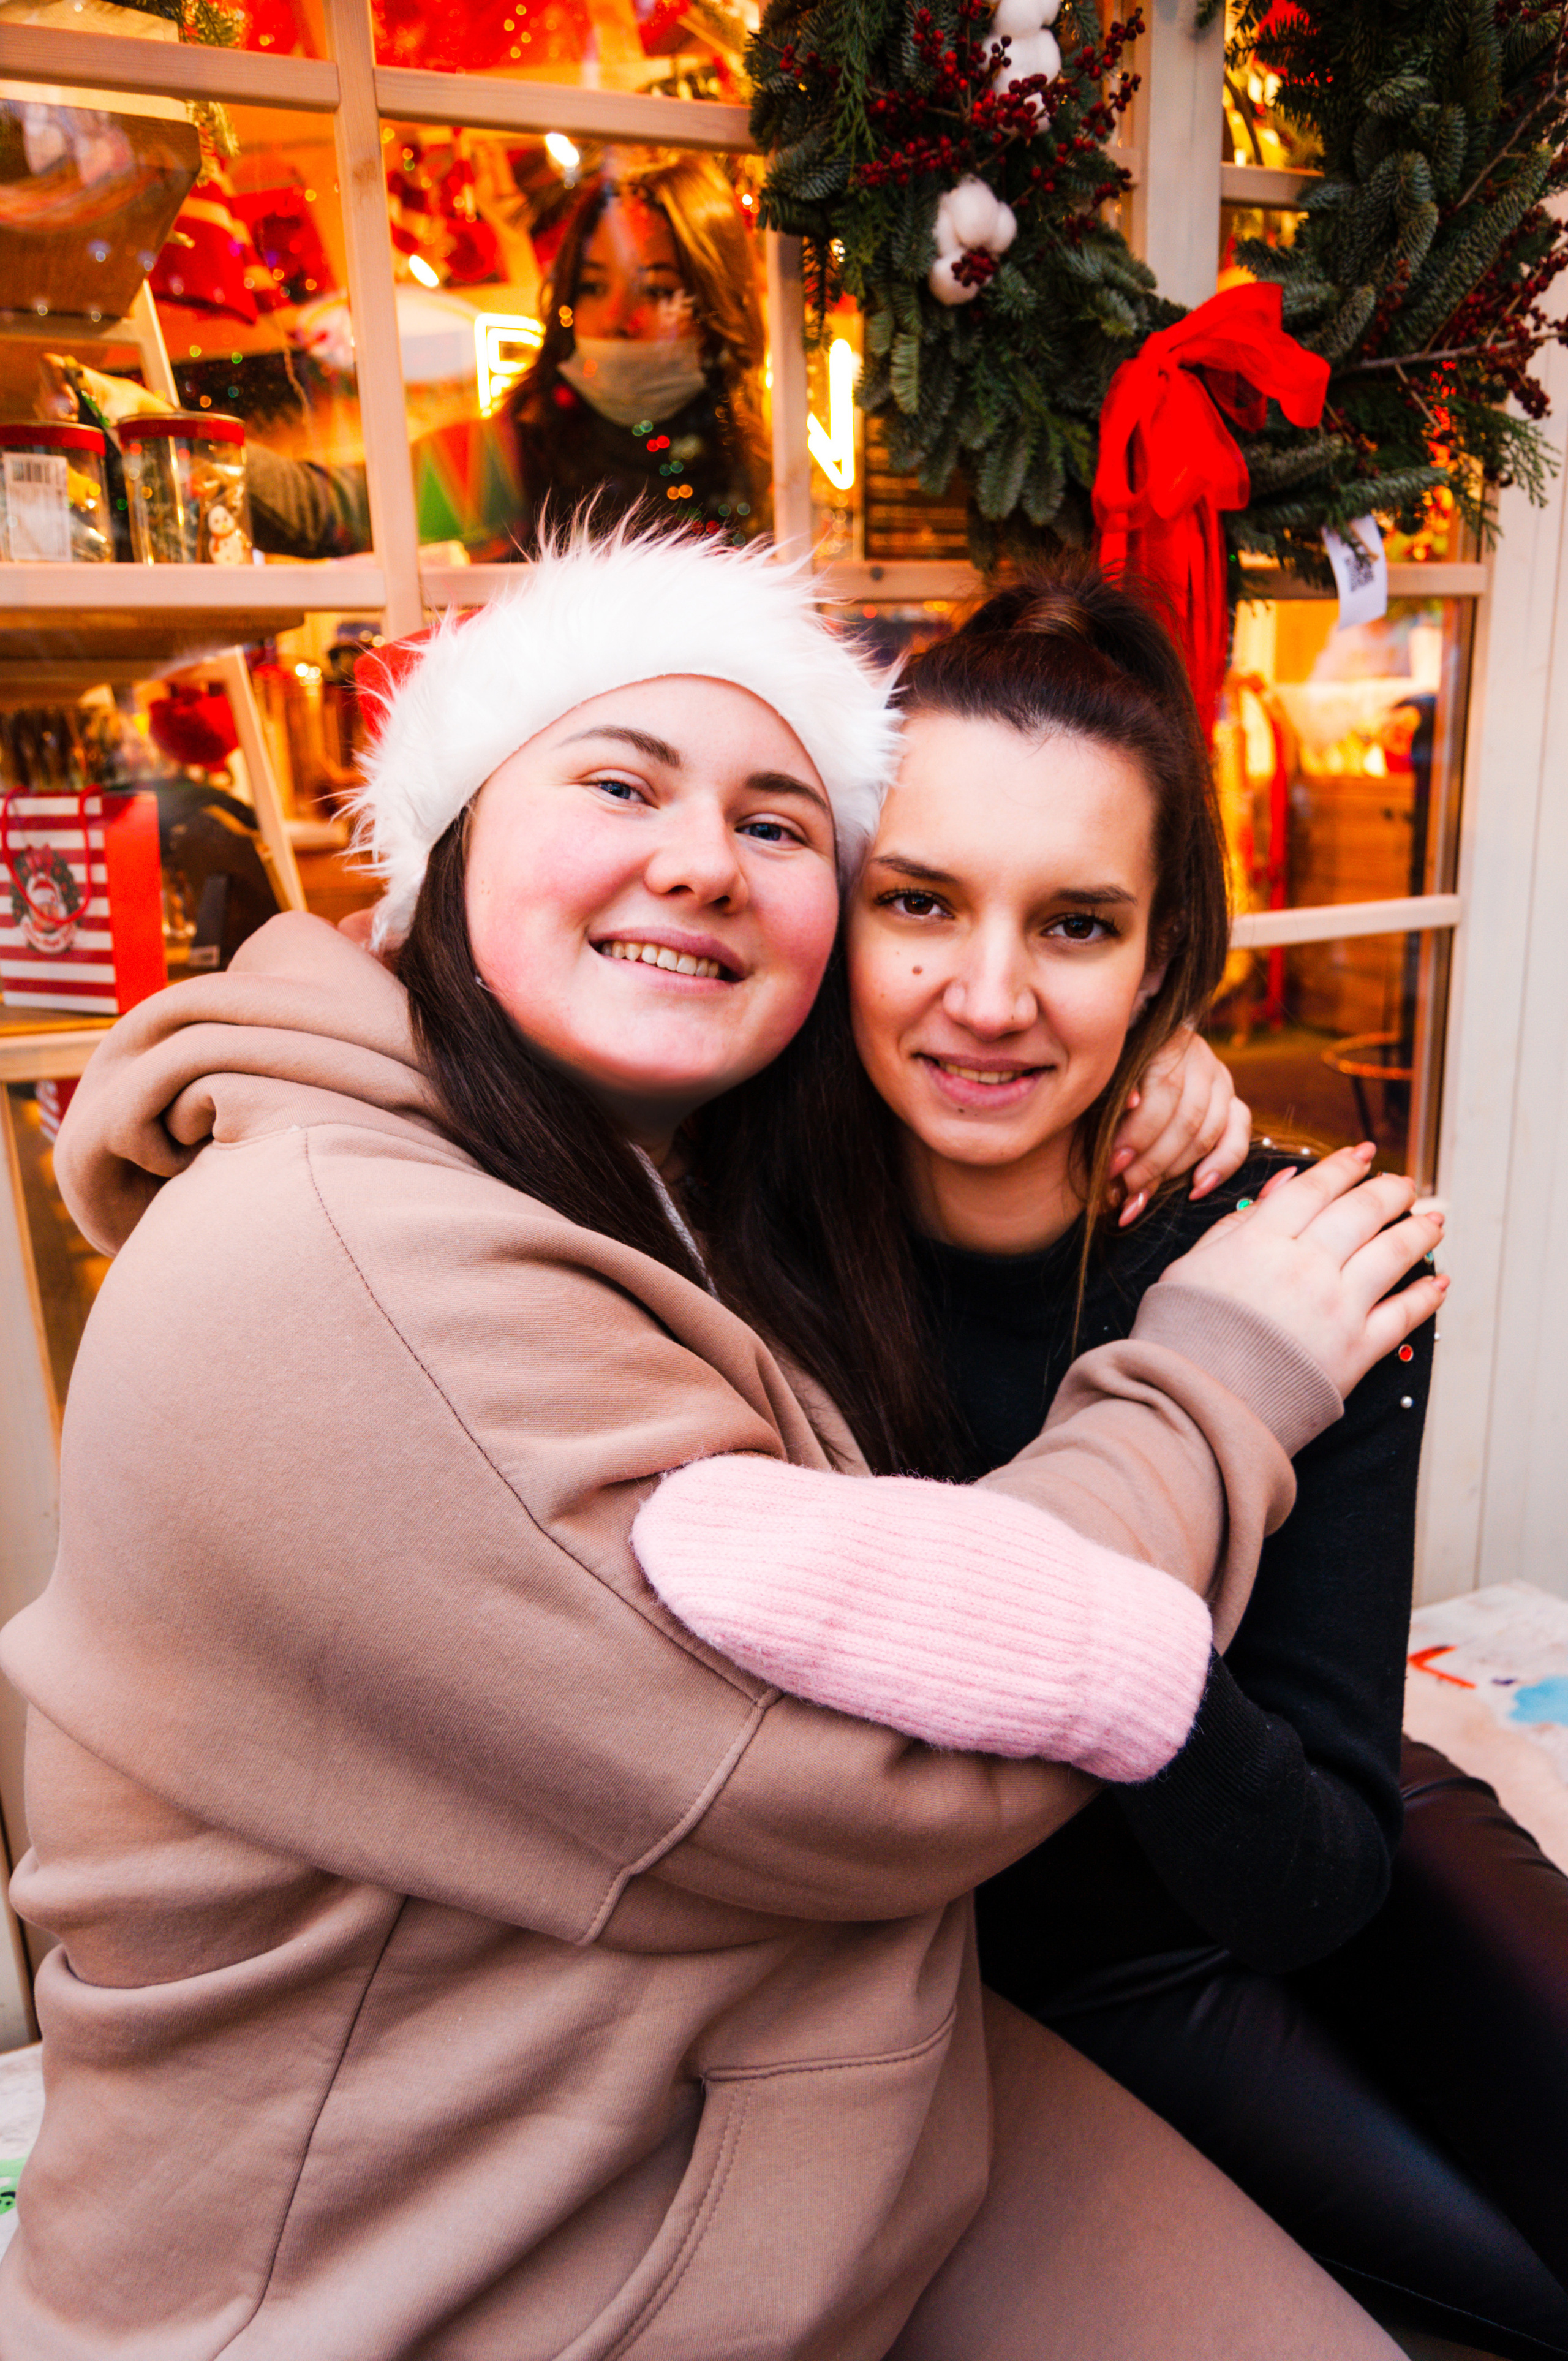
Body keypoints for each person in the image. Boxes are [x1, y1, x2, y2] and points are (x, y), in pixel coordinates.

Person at [0, 528, 1438, 2359]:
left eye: (775, 822)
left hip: (824, 2063)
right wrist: (1217, 1374)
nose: (699, 856)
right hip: (442, 2248)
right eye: (617, 780)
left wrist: (1148, 1083)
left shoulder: (665, 1163)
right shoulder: (369, 1258)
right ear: (446, 847)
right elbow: (870, 1766)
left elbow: (1320, 1859)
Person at [636, 560, 1568, 2358]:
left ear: (1167, 957)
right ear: (833, 908)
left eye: (1076, 925)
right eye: (921, 903)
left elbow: (1319, 1868)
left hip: (1305, 1831)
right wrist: (1119, 1650)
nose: (988, 996)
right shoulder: (724, 1245)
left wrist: (1145, 1676)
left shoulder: (1297, 1256)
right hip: (1021, 1964)